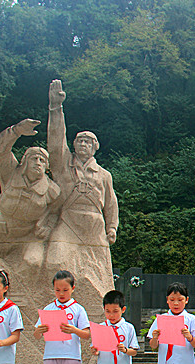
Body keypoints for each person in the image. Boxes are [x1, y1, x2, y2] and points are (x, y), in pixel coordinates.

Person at [46, 79, 119, 269]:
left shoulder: (104, 175)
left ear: (95, 147)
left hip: (94, 225)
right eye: (80, 141)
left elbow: (111, 203)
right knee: (55, 261)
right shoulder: (63, 165)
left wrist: (111, 227)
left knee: (98, 268)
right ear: (74, 145)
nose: (83, 144)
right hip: (68, 221)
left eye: (88, 142)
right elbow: (56, 141)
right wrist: (56, 108)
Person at [0, 118, 60, 266]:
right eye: (34, 159)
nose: (38, 163)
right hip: (4, 232)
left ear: (47, 167)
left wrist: (48, 227)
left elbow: (55, 213)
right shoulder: (10, 173)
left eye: (42, 160)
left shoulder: (52, 190)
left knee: (33, 263)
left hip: (30, 236)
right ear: (25, 161)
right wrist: (16, 131)